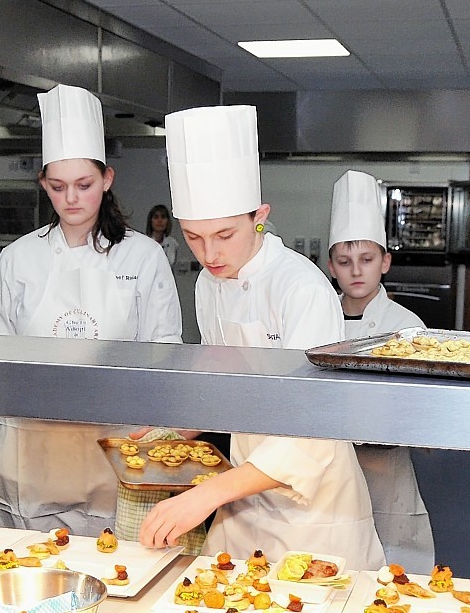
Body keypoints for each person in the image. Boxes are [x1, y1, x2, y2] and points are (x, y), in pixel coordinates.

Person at [138, 105, 384, 572]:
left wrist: (206, 495)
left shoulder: (302, 289)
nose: (209, 254)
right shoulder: (209, 283)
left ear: (260, 216)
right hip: (243, 495)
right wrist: (170, 433)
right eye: (193, 237)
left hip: (313, 509)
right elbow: (222, 383)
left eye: (224, 234)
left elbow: (312, 431)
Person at [0, 84, 182, 536]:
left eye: (84, 185)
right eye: (58, 186)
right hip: (29, 458)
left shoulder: (143, 257)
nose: (71, 198)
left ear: (107, 179)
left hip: (111, 456)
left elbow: (165, 355)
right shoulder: (18, 257)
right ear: (43, 185)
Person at [326, 170, 435, 571]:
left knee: (392, 568)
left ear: (385, 262)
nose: (356, 271)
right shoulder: (320, 320)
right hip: (331, 462)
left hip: (387, 467)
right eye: (345, 261)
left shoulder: (408, 325)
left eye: (367, 260)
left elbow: (424, 408)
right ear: (331, 265)